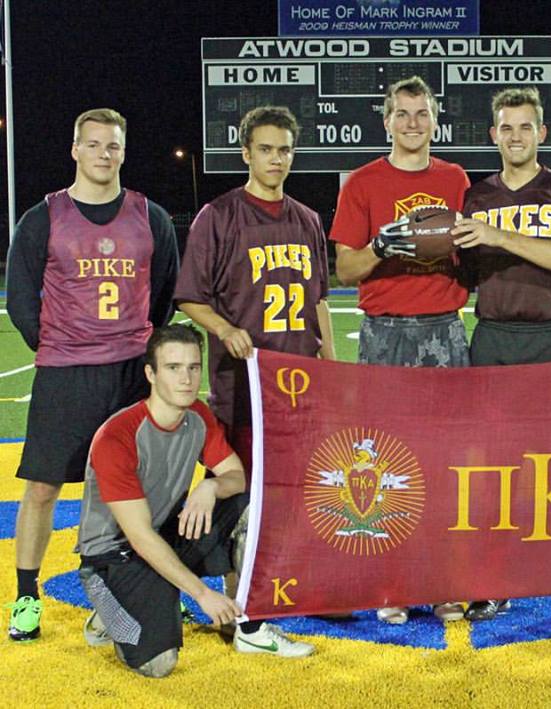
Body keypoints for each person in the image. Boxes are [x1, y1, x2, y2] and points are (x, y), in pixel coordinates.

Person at [6, 108, 179, 642]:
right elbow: (19, 298)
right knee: (41, 487)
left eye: (114, 146)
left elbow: (165, 294)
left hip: (129, 371)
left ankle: (136, 588)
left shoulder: (150, 216)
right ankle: (27, 596)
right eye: (94, 144)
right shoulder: (44, 216)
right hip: (66, 373)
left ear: (124, 152)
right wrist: (60, 345)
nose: (104, 154)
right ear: (75, 150)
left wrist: (133, 345)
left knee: (134, 489)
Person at [77, 325, 313, 678]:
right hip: (114, 556)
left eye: (192, 367)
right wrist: (203, 595)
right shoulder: (118, 436)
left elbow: (237, 477)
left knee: (249, 505)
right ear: (151, 374)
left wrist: (210, 488)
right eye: (173, 368)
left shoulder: (197, 416)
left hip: (163, 535)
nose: (186, 378)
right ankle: (108, 612)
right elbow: (139, 538)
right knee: (158, 665)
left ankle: (249, 630)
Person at [450, 87, 551, 629]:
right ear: (493, 135)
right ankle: (495, 583)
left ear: (542, 133)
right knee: (495, 471)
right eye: (505, 127)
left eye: (525, 127)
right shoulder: (476, 196)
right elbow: (462, 273)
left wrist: (498, 234)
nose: (515, 136)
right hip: (494, 338)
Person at [330, 76, 469, 625]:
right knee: (383, 460)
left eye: (422, 113)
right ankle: (390, 581)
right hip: (385, 332)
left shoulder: (455, 179)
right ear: (385, 121)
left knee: (444, 460)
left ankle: (442, 580)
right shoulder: (362, 182)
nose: (413, 123)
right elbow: (346, 269)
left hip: (443, 328)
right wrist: (383, 245)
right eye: (402, 114)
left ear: (435, 120)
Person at [174, 105, 335, 477]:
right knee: (239, 492)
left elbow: (319, 301)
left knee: (298, 489)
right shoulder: (218, 215)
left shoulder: (308, 220)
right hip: (244, 382)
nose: (276, 159)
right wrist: (225, 329)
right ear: (246, 153)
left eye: (284, 150)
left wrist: (331, 366)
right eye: (265, 149)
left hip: (300, 380)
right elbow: (189, 296)